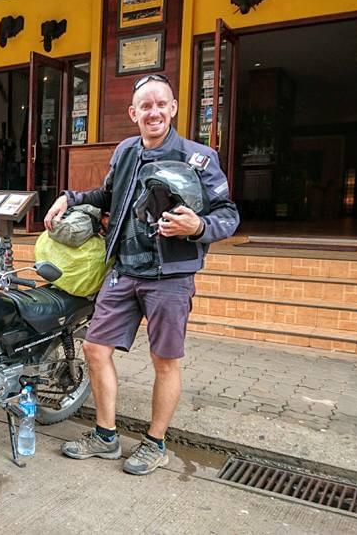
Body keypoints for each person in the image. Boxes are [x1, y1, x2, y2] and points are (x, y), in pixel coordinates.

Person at [43, 73, 239, 475]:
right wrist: (70, 197)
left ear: (174, 108)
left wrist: (198, 227)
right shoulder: (127, 151)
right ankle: (105, 436)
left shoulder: (198, 157)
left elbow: (228, 215)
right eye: (145, 106)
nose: (153, 112)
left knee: (164, 360)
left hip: (170, 276)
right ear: (134, 113)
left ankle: (156, 442)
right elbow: (107, 195)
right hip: (125, 268)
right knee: (95, 349)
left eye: (160, 104)